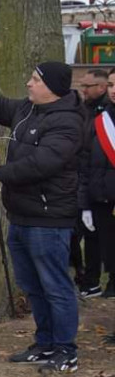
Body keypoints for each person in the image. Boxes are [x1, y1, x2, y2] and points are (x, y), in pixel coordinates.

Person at [0, 61, 83, 374]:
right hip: (22, 215)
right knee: (33, 285)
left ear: (51, 87)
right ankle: (45, 342)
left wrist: (1, 172)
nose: (28, 83)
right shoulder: (28, 109)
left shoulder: (68, 121)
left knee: (55, 285)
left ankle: (66, 349)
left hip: (49, 219)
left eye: (35, 79)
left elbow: (43, 163)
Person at [72, 69, 111, 297]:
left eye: (87, 86)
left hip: (99, 183)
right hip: (84, 178)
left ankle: (93, 278)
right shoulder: (83, 108)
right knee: (82, 232)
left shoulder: (105, 113)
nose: (83, 90)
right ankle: (85, 275)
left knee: (95, 235)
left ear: (101, 87)